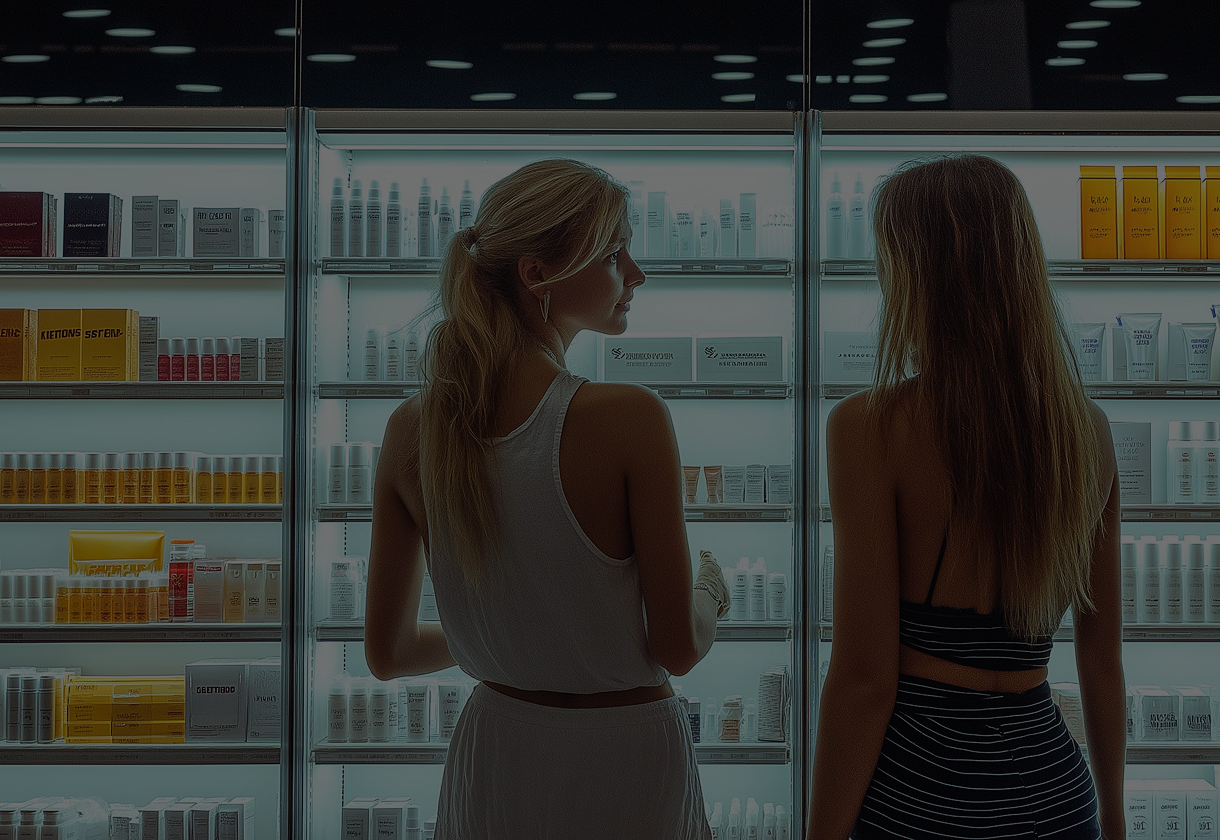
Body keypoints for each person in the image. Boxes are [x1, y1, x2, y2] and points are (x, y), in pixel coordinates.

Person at [363, 158, 728, 840]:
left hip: (496, 752)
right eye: (616, 254)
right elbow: (677, 646)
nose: (636, 274)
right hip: (625, 755)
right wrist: (712, 593)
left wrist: (518, 632)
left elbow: (389, 655)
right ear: (537, 275)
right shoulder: (628, 416)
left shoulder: (411, 429)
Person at [806, 155, 1125, 840]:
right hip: (1055, 794)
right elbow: (1100, 660)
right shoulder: (1085, 431)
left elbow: (865, 681)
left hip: (921, 793)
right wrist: (1116, 817)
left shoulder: (870, 427)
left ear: (921, 275)